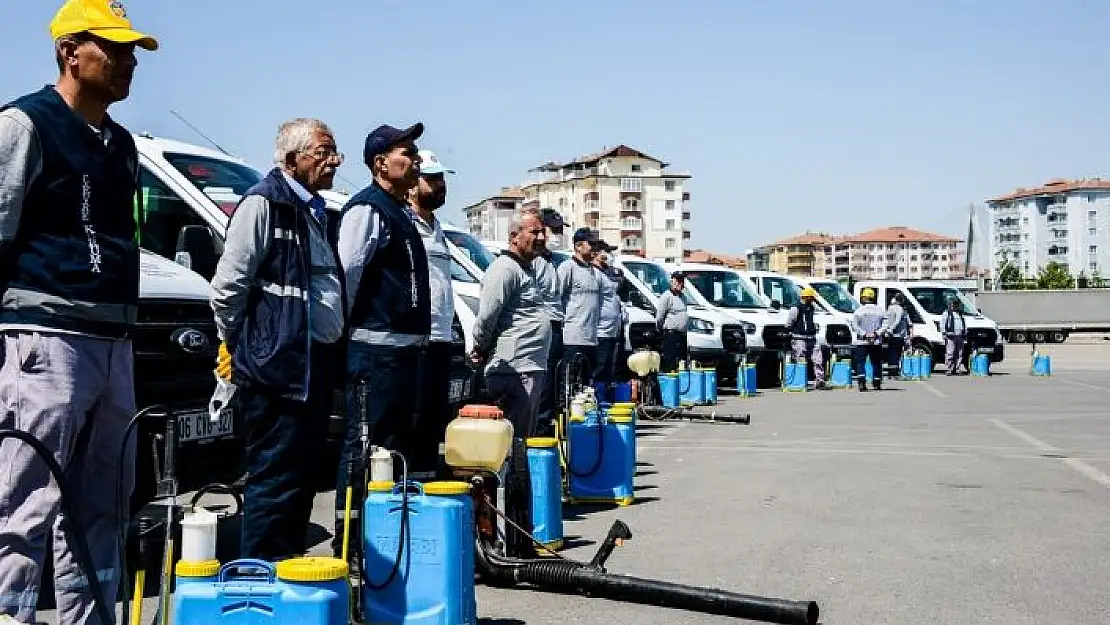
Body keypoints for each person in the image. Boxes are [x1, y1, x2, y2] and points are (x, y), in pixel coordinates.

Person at [0, 2, 156, 621]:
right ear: (71, 51)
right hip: (46, 337)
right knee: (25, 501)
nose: (129, 61)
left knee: (103, 503)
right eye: (115, 48)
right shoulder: (24, 125)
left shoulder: (120, 145)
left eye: (133, 51)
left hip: (113, 340)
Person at [210, 118, 345, 561]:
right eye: (323, 152)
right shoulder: (264, 204)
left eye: (334, 151)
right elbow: (229, 287)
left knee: (300, 481)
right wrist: (241, 347)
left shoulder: (315, 209)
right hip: (278, 368)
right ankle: (259, 585)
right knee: (273, 480)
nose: (334, 161)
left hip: (311, 366)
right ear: (292, 160)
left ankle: (286, 580)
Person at [335, 123, 429, 553]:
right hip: (374, 355)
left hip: (404, 355)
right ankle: (351, 542)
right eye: (407, 153)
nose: (416, 161)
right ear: (380, 164)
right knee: (362, 448)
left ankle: (384, 538)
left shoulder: (401, 214)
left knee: (391, 451)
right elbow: (347, 276)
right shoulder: (367, 209)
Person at [470, 207, 552, 440]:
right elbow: (487, 317)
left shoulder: (527, 269)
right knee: (513, 441)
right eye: (534, 232)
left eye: (543, 232)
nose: (541, 238)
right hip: (514, 370)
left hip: (530, 367)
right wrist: (480, 348)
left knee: (524, 438)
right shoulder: (504, 269)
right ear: (514, 236)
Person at [408, 149, 455, 477]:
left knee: (433, 422)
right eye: (432, 179)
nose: (440, 186)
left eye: (442, 179)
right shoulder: (404, 222)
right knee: (413, 419)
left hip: (442, 337)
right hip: (417, 339)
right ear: (412, 184)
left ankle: (425, 481)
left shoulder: (438, 227)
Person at [557, 228, 604, 389]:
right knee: (570, 382)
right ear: (578, 246)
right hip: (573, 337)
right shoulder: (567, 268)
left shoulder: (593, 271)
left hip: (591, 338)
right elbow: (557, 298)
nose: (594, 248)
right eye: (591, 244)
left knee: (586, 385)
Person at [533, 211, 564, 435]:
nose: (556, 236)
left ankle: (547, 422)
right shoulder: (533, 261)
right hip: (541, 324)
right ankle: (539, 427)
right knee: (541, 381)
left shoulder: (552, 260)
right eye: (555, 230)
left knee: (552, 378)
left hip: (556, 323)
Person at [593, 248, 627, 399]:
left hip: (612, 331)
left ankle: (605, 399)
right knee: (599, 369)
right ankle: (598, 400)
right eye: (604, 252)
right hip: (601, 331)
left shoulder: (607, 274)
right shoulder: (596, 275)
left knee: (609, 369)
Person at [787, 287, 826, 390]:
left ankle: (820, 381)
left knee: (818, 359)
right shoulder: (796, 308)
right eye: (811, 298)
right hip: (799, 338)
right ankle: (800, 381)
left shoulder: (811, 308)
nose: (813, 300)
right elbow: (789, 322)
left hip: (812, 338)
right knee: (800, 359)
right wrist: (790, 331)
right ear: (806, 297)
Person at [851, 287, 887, 392]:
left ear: (863, 298)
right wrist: (876, 334)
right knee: (876, 362)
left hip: (862, 341)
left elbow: (855, 326)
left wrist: (865, 334)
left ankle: (862, 383)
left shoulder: (858, 311)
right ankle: (877, 383)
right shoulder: (880, 310)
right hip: (876, 341)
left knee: (860, 362)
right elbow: (885, 325)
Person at [656, 272, 690, 373]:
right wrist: (660, 329)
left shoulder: (683, 297)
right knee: (670, 363)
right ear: (672, 281)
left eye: (682, 281)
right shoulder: (666, 296)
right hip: (671, 335)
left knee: (682, 363)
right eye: (678, 281)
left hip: (682, 335)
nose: (681, 284)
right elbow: (659, 317)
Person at [885, 292, 911, 375]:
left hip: (890, 334)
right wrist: (892, 329)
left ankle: (891, 371)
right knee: (896, 354)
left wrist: (888, 330)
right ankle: (894, 372)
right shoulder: (900, 309)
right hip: (898, 334)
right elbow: (897, 321)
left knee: (891, 353)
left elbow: (887, 320)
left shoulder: (890, 308)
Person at [940, 297, 967, 376]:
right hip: (950, 336)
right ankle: (949, 369)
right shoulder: (946, 313)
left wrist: (964, 332)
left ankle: (957, 368)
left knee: (959, 353)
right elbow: (942, 324)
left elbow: (963, 324)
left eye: (955, 304)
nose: (954, 306)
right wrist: (944, 333)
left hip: (960, 336)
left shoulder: (960, 313)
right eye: (952, 304)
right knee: (950, 353)